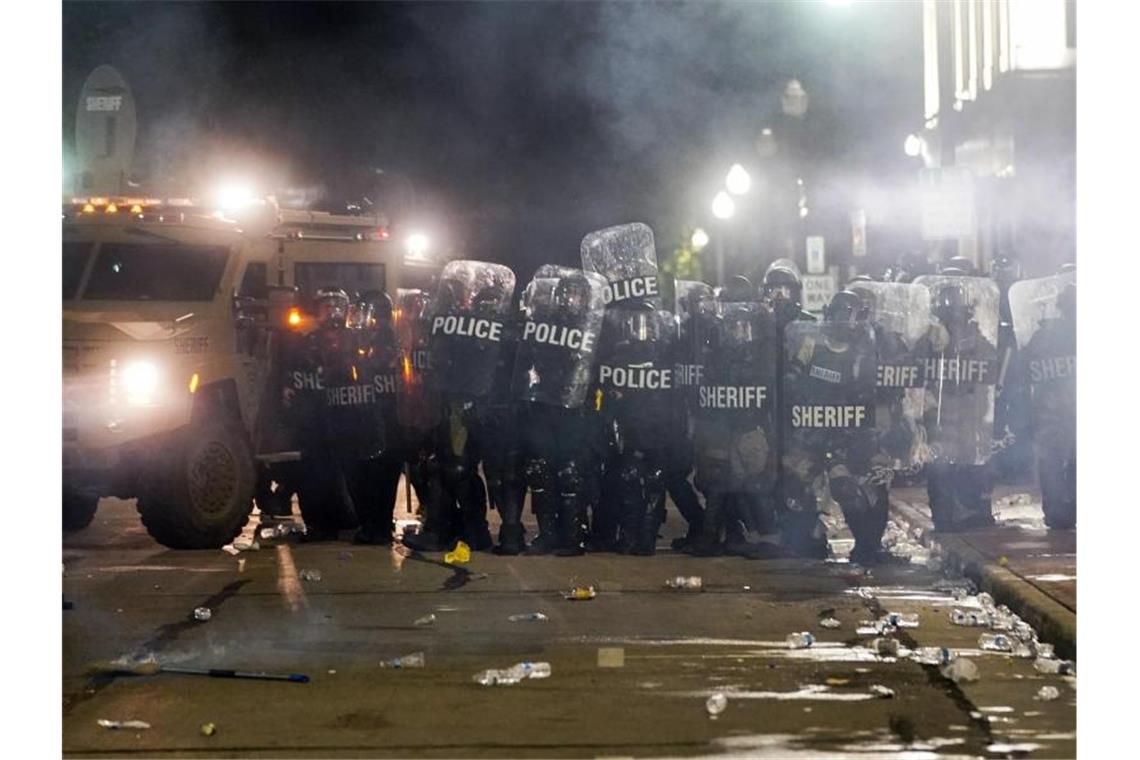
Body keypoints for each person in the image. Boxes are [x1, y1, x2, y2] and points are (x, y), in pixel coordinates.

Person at [780, 291, 881, 560]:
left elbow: (867, 395)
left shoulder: (860, 353)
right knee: (798, 489)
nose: (845, 322)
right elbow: (790, 381)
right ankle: (807, 542)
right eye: (841, 315)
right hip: (809, 431)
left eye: (850, 316)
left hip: (841, 435)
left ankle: (866, 546)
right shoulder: (812, 344)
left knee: (848, 489)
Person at [515, 270, 608, 556]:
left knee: (571, 473)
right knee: (541, 470)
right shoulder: (543, 324)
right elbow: (527, 359)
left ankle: (573, 535)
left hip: (577, 410)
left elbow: (603, 369)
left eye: (577, 295)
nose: (571, 300)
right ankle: (548, 534)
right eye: (567, 294)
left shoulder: (595, 327)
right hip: (545, 405)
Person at [914, 282, 1001, 531]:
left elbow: (989, 366)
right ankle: (945, 516)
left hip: (968, 412)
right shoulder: (929, 338)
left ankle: (973, 511)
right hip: (939, 414)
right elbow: (914, 368)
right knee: (940, 466)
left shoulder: (976, 338)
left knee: (972, 463)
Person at [1020, 282, 1076, 529]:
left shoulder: (1045, 334)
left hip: (1049, 410)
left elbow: (1024, 367)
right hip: (1060, 408)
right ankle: (1067, 510)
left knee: (1052, 462)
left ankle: (1058, 514)